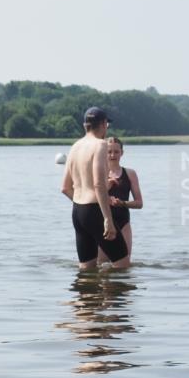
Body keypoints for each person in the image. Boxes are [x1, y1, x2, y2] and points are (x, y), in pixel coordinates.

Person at [60, 107, 129, 270]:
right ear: (104, 124)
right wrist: (107, 219)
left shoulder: (75, 146)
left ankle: (87, 295)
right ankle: (112, 294)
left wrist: (84, 208)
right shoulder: (100, 145)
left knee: (86, 269)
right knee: (122, 266)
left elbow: (65, 187)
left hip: (78, 212)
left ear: (85, 125)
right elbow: (98, 184)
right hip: (95, 210)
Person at [100, 136, 142, 262]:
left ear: (122, 153)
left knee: (125, 264)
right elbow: (91, 198)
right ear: (104, 153)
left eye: (116, 151)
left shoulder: (130, 174)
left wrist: (122, 203)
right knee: (101, 265)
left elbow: (139, 203)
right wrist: (107, 187)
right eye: (109, 151)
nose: (113, 155)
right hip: (102, 223)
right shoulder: (98, 174)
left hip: (123, 222)